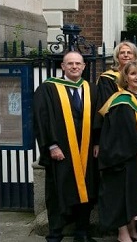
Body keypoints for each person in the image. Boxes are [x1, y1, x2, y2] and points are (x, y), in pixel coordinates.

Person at [33, 51, 98, 242]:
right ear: (63, 67)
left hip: (86, 150)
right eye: (70, 64)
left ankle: (82, 232)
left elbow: (98, 119)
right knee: (57, 191)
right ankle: (55, 234)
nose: (75, 67)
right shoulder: (48, 89)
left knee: (86, 190)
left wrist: (98, 142)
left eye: (78, 63)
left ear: (84, 66)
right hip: (61, 150)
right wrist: (51, 145)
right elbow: (41, 118)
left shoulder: (91, 89)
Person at [97, 61, 137, 242]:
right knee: (121, 194)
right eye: (133, 74)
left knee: (133, 194)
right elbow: (127, 130)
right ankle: (123, 233)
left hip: (136, 153)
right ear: (126, 78)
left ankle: (132, 227)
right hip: (121, 155)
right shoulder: (121, 100)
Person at [97, 41, 137, 106]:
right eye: (122, 53)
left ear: (135, 57)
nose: (126, 55)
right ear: (117, 57)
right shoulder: (107, 78)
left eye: (129, 53)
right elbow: (106, 103)